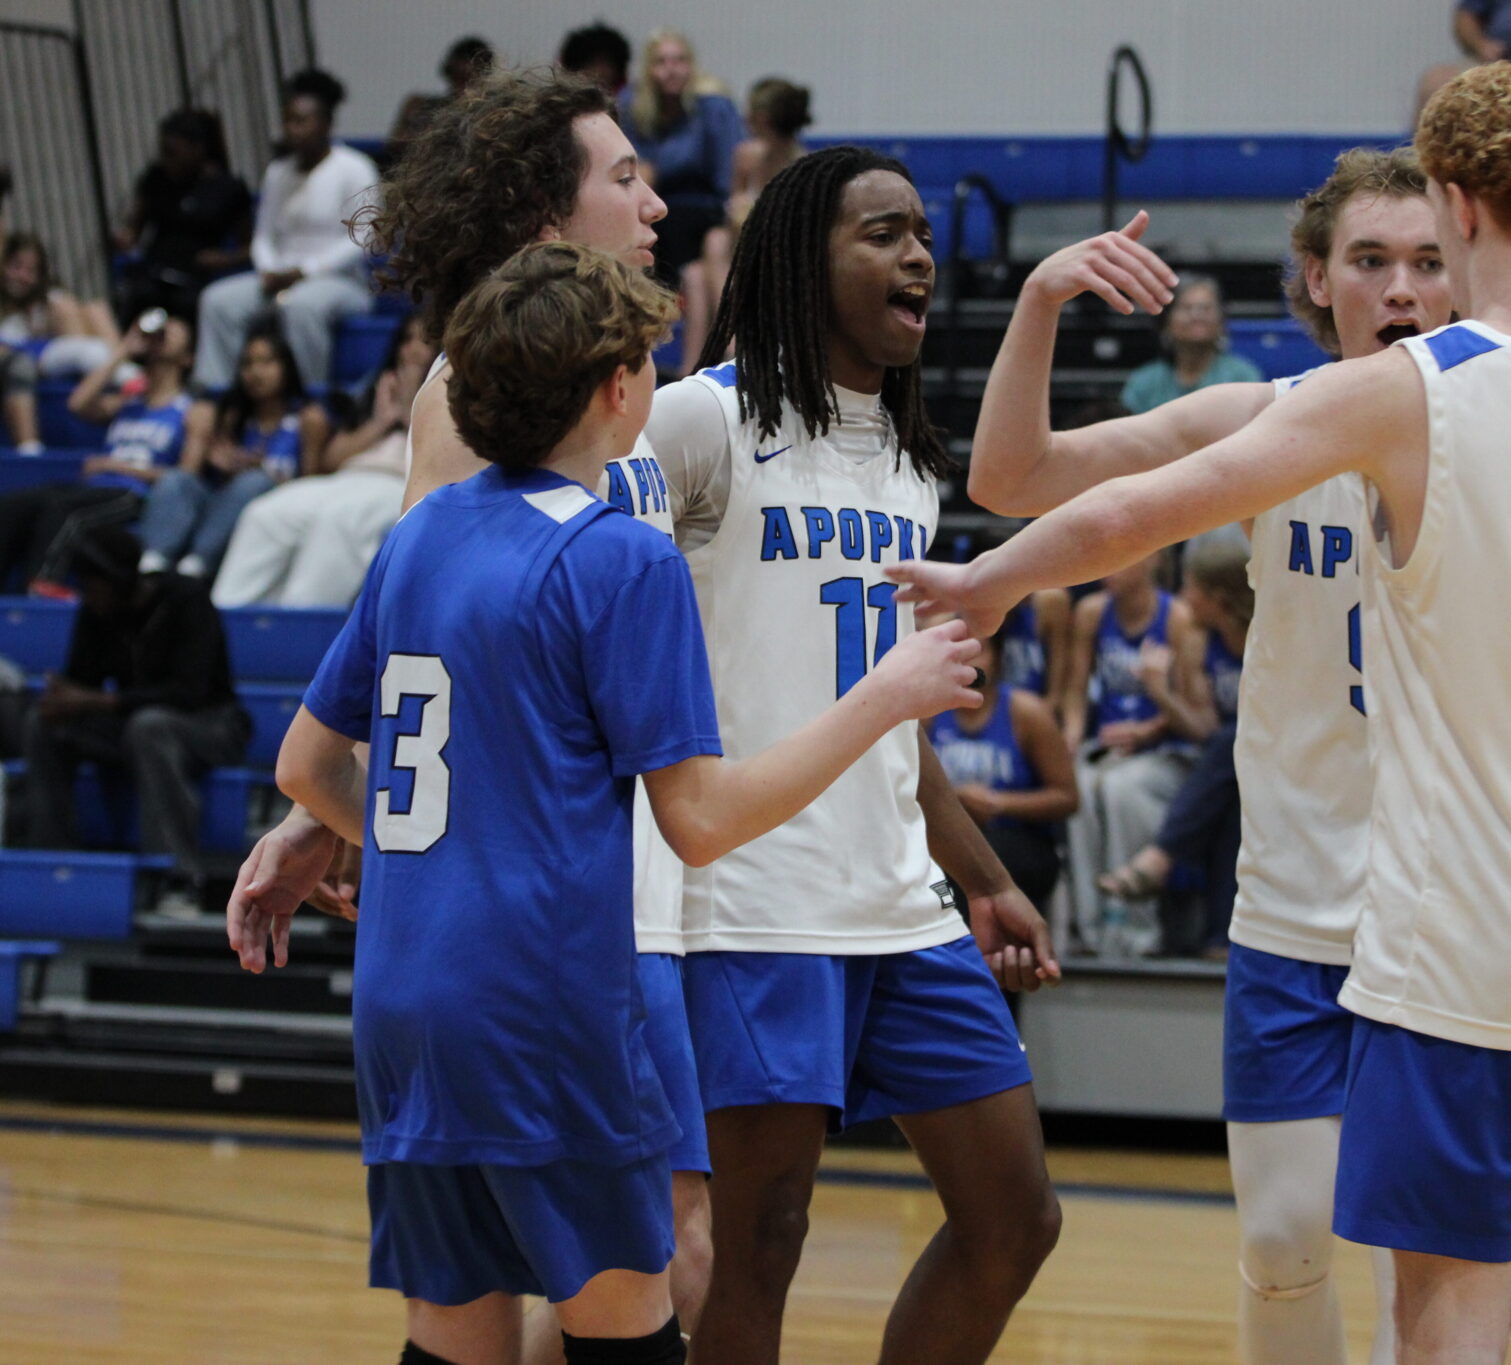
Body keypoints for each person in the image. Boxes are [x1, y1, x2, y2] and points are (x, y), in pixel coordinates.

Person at [890, 62, 1511, 1365]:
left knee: (1452, 1308)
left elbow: (1143, 513)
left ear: (1462, 208)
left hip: (1468, 943)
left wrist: (989, 577)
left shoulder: (1414, 393)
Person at [252, 239, 980, 1365]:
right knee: (626, 1329)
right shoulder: (616, 558)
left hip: (403, 999)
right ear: (616, 387)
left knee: (452, 1334)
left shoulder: (422, 534)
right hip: (544, 1003)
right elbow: (701, 822)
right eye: (646, 355)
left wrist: (441, 861)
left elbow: (306, 768)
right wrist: (884, 697)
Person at [229, 67, 705, 1359]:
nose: (653, 201)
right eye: (623, 178)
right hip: (541, 921)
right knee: (648, 1266)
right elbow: (419, 644)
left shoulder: (600, 379)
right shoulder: (469, 403)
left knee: (640, 1260)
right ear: (546, 218)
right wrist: (327, 822)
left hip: (583, 896)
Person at [638, 143, 1062, 1365]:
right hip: (754, 905)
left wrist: (981, 876)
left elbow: (891, 717)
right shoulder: (699, 422)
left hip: (900, 905)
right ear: (797, 259)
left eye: (920, 233)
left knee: (1012, 1219)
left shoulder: (913, 465)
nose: (916, 254)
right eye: (880, 233)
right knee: (758, 1244)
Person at [24, 524, 250, 919]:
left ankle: (178, 878)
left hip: (212, 726)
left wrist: (96, 700)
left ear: (117, 581)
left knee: (150, 726)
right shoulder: (95, 612)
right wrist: (61, 697)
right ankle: (56, 865)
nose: (85, 594)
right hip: (135, 725)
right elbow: (83, 679)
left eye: (92, 584)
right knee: (44, 725)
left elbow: (191, 691)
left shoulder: (186, 599)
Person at [1098, 535, 1251, 958]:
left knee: (1234, 739)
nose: (1183, 598)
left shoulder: (1267, 639)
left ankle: (1161, 858)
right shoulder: (1201, 640)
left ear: (1220, 598)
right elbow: (1201, 727)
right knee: (1230, 776)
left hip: (1269, 761)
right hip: (1224, 769)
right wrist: (1160, 693)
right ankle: (1219, 938)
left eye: (1191, 588)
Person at [210, 313, 430, 608]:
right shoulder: (375, 392)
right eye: (406, 339)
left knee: (337, 520)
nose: (412, 349)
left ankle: (300, 628)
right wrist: (380, 421)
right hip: (345, 479)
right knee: (266, 514)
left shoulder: (450, 394)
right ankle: (228, 621)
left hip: (400, 485)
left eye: (424, 340)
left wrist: (410, 406)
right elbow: (331, 461)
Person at [191, 69, 378, 392]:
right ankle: (215, 395)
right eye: (289, 121)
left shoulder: (355, 168)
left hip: (339, 282)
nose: (293, 130)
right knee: (217, 301)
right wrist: (268, 269)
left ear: (326, 124)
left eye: (302, 121)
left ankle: (311, 397)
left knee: (302, 306)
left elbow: (363, 237)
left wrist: (304, 271)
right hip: (277, 277)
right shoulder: (278, 172)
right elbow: (263, 235)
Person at [1060, 550, 1208, 957]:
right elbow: (1075, 690)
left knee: (1122, 790)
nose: (1107, 565)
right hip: (1107, 748)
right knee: (1080, 786)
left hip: (1165, 750)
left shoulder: (1175, 616)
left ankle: (1136, 927)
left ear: (1150, 561)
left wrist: (1147, 730)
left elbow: (1195, 708)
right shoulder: (1091, 612)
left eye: (1120, 558)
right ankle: (1088, 928)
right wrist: (1071, 734)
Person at [0, 313, 193, 592]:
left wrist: (115, 467)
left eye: (174, 332)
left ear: (188, 357)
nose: (163, 336)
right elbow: (77, 404)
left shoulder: (190, 409)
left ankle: (43, 588)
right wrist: (125, 349)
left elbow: (184, 478)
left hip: (133, 493)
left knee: (61, 509)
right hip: (95, 487)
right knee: (19, 502)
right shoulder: (129, 402)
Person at [139, 326, 327, 580]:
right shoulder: (231, 416)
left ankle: (197, 566)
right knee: (176, 480)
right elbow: (212, 486)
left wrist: (263, 474)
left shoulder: (308, 419)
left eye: (266, 362)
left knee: (253, 482)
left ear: (287, 367)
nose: (255, 373)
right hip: (219, 510)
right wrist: (220, 466)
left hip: (270, 519)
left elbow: (310, 489)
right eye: (247, 364)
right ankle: (154, 561)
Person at [925, 612, 1079, 909]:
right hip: (949, 839)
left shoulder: (1027, 713)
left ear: (997, 656)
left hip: (1020, 841)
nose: (969, 663)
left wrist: (1000, 803)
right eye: (958, 654)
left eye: (978, 652)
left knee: (979, 858)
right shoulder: (928, 714)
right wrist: (956, 799)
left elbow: (1067, 798)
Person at [683, 76, 810, 369]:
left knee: (708, 253)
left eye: (750, 112)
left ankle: (728, 346)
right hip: (738, 251)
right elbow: (734, 205)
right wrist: (739, 215)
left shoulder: (802, 167)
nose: (744, 118)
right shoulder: (746, 156)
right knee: (695, 272)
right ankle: (694, 368)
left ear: (762, 118)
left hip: (778, 258)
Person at [619, 27, 742, 282]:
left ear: (692, 66)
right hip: (654, 208)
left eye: (679, 60)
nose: (671, 69)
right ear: (648, 70)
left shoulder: (713, 107)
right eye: (661, 62)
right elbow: (633, 171)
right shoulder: (633, 107)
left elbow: (727, 178)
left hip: (705, 208)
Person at [109, 107, 253, 327]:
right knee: (136, 298)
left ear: (198, 149)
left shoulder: (228, 188)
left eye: (172, 152)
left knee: (190, 306)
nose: (165, 159)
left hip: (198, 278)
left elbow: (252, 247)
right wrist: (126, 237)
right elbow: (134, 228)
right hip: (155, 273)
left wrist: (224, 259)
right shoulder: (156, 179)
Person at [1, 231, 121, 451]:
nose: (23, 277)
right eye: (16, 266)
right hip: (28, 359)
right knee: (92, 351)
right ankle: (126, 375)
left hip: (49, 355)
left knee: (95, 309)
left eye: (31, 271)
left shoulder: (41, 304)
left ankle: (126, 373)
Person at [1119, 274, 1262, 414]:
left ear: (1221, 321)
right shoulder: (1144, 382)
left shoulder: (1242, 377)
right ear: (1166, 322)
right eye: (1186, 308)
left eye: (1205, 308)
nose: (1196, 316)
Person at [385, 35, 494, 166]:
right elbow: (396, 143)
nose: (461, 90)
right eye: (458, 80)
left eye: (467, 82)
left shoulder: (489, 112)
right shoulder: (419, 105)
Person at [557, 22, 631, 96]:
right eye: (592, 64)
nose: (599, 72)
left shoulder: (631, 102)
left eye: (605, 64)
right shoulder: (559, 100)